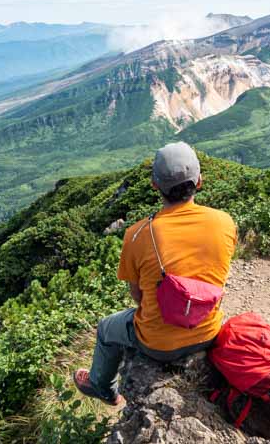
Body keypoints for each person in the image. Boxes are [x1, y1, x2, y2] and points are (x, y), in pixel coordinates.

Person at [73, 142, 237, 404]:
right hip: (208, 332)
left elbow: (138, 298)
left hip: (158, 345)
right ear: (199, 181)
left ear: (155, 186)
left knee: (106, 328)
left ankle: (102, 388)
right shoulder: (224, 222)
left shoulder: (136, 235)